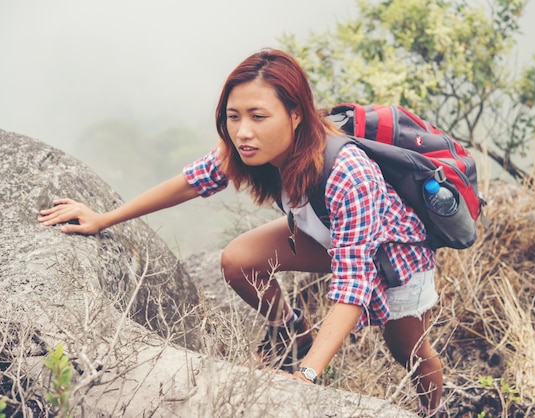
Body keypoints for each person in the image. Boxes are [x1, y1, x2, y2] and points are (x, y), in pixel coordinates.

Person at [38, 48, 444, 415]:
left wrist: (306, 378)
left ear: (296, 113)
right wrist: (104, 218)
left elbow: (354, 285)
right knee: (239, 261)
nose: (243, 131)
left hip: (392, 257)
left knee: (407, 348)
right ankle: (292, 333)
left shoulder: (349, 174)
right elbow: (189, 183)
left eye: (258, 116)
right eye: (234, 116)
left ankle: (432, 410)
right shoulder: (248, 147)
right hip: (326, 233)